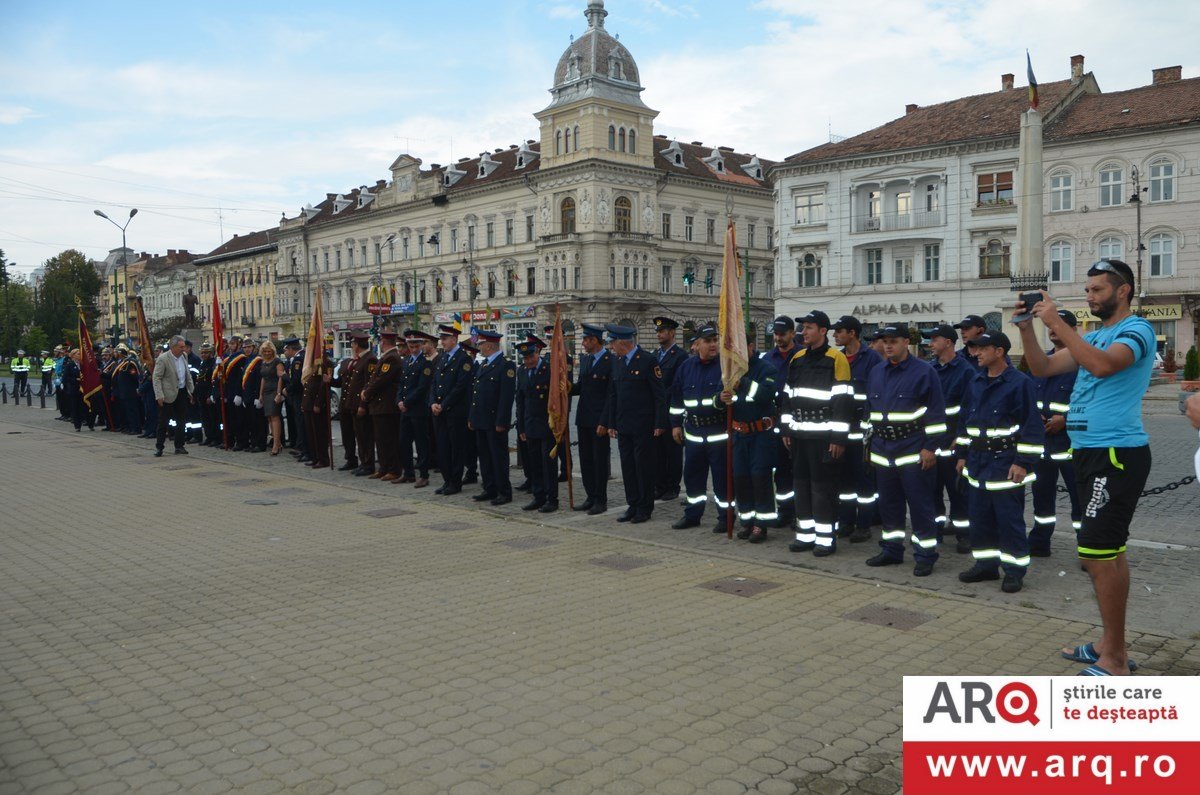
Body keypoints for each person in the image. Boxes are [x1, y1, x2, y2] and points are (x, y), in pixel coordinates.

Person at [1019, 259, 1155, 676]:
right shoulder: (1094, 336)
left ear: (1123, 291)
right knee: (1110, 553)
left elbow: (1103, 366)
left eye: (1097, 290)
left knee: (1096, 555)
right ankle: (1109, 645)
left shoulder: (1137, 330)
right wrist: (1026, 327)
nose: (1090, 296)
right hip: (1090, 452)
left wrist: (1057, 323)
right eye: (1088, 290)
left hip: (1114, 454)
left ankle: (1115, 660)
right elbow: (1042, 368)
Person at [955, 331, 1044, 594]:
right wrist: (962, 454)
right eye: (975, 348)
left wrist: (1023, 462)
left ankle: (1014, 571)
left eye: (983, 348)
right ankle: (986, 565)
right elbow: (965, 421)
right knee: (979, 519)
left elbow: (1032, 425)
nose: (976, 353)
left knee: (1009, 522)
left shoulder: (1020, 383)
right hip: (977, 463)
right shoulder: (975, 381)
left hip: (1005, 464)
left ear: (999, 351)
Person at [862, 325, 949, 576]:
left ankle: (925, 555)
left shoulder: (924, 371)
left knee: (920, 506)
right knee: (889, 505)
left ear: (905, 342)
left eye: (893, 341)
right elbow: (869, 411)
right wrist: (869, 445)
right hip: (882, 449)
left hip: (913, 449)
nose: (888, 346)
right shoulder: (876, 372)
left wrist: (931, 448)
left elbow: (936, 414)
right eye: (885, 341)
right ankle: (892, 549)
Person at [781, 310, 854, 557]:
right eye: (803, 328)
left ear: (823, 331)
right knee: (801, 487)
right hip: (799, 437)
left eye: (809, 327)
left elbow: (843, 403)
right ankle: (805, 536)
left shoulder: (837, 359)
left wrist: (838, 438)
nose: (804, 332)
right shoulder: (797, 358)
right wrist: (786, 429)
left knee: (823, 490)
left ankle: (825, 539)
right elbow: (787, 397)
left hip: (824, 439)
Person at [1028, 309, 1083, 557]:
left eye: (1059, 324)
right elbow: (1029, 397)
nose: (1052, 329)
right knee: (1041, 498)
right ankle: (1040, 542)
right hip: (1043, 446)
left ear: (1073, 330)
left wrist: (1066, 420)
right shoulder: (1042, 362)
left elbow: (1092, 401)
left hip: (1072, 446)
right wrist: (1034, 417)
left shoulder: (1082, 363)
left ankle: (1087, 547)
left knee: (1080, 499)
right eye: (1050, 325)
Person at [602, 323, 669, 524]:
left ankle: (645, 507)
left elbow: (659, 395)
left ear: (622, 343)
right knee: (628, 466)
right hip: (624, 424)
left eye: (612, 343)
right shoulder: (618, 362)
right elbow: (613, 395)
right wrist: (611, 422)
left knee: (643, 467)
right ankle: (632, 504)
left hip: (644, 425)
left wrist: (660, 423)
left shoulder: (647, 360)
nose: (611, 347)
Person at [668, 324, 730, 533]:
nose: (713, 345)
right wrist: (675, 425)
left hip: (718, 433)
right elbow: (676, 399)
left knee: (722, 479)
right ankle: (692, 515)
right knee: (693, 477)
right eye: (708, 341)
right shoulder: (686, 367)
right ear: (696, 344)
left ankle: (726, 517)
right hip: (693, 433)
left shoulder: (725, 367)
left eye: (715, 340)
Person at [721, 331, 778, 542]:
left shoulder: (766, 369)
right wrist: (721, 398)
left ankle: (761, 525)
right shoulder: (729, 370)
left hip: (760, 434)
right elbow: (719, 398)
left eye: (740, 348)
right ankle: (746, 520)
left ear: (751, 347)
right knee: (741, 478)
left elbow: (765, 395)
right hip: (739, 434)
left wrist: (742, 384)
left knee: (760, 477)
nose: (736, 353)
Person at [831, 315, 883, 543]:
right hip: (842, 430)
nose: (835, 335)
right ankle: (846, 522)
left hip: (863, 433)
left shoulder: (871, 359)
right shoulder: (837, 358)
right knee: (844, 481)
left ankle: (863, 525)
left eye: (839, 331)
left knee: (864, 482)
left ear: (852, 333)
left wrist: (869, 428)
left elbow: (876, 394)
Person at [925, 323, 974, 554]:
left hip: (953, 443)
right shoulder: (929, 369)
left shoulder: (965, 371)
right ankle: (934, 530)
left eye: (934, 340)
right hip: (932, 442)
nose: (930, 344)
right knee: (932, 490)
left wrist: (962, 437)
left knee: (958, 492)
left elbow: (970, 408)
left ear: (948, 342)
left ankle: (964, 534)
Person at [762, 315, 800, 528]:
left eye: (782, 334)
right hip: (775, 421)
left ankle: (800, 513)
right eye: (775, 334)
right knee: (781, 470)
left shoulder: (802, 355)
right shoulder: (768, 358)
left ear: (792, 333)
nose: (778, 338)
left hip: (798, 419)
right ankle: (785, 511)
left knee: (799, 471)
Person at [571, 323, 613, 515]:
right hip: (584, 417)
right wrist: (566, 387)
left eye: (586, 340)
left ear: (595, 340)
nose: (583, 343)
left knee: (599, 461)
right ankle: (590, 496)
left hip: (599, 420)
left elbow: (611, 395)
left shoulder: (610, 361)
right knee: (586, 460)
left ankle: (600, 499)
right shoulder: (586, 360)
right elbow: (581, 386)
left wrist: (605, 421)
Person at [471, 330, 516, 506]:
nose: (479, 347)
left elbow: (506, 397)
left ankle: (504, 491)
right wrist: (472, 417)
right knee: (484, 456)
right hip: (481, 419)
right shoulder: (484, 364)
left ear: (489, 345)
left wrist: (502, 421)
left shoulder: (505, 365)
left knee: (498, 457)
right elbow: (476, 394)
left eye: (480, 344)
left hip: (494, 421)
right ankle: (489, 488)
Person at [430, 324, 473, 495]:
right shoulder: (443, 358)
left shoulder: (464, 359)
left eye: (445, 339)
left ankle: (455, 482)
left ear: (454, 340)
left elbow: (460, 387)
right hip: (439, 411)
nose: (442, 342)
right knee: (443, 448)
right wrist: (433, 402)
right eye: (441, 339)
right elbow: (434, 383)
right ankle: (447, 480)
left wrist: (444, 405)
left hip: (455, 412)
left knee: (456, 449)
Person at [516, 337, 557, 512]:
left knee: (548, 464)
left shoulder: (549, 370)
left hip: (547, 424)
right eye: (525, 358)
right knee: (535, 463)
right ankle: (538, 496)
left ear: (537, 353)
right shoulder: (522, 371)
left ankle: (552, 499)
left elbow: (557, 399)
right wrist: (521, 427)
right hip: (530, 424)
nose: (528, 361)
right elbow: (520, 401)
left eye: (530, 357)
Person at [651, 317, 686, 502]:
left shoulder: (680, 356)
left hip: (671, 409)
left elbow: (678, 385)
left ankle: (673, 486)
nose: (659, 334)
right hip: (656, 410)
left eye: (662, 331)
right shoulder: (655, 355)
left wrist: (662, 395)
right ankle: (660, 485)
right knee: (657, 451)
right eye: (657, 331)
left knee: (672, 451)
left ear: (672, 333)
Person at [363, 330, 404, 480]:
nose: (380, 343)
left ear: (384, 342)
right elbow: (375, 378)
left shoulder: (391, 358)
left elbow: (381, 380)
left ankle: (393, 469)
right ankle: (384, 467)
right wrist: (367, 389)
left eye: (381, 340)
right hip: (380, 406)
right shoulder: (387, 357)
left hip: (387, 406)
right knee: (380, 439)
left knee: (389, 439)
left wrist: (367, 392)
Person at [396, 331, 432, 484]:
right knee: (404, 441)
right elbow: (401, 384)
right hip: (405, 410)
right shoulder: (406, 361)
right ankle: (408, 472)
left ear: (421, 345)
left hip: (417, 409)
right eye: (411, 346)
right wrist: (399, 400)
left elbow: (422, 388)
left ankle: (423, 475)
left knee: (421, 443)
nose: (414, 349)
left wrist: (406, 402)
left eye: (416, 346)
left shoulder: (425, 363)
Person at [152, 335, 195, 457]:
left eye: (184, 347)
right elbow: (157, 378)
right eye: (181, 347)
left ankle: (179, 446)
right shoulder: (163, 358)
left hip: (181, 392)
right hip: (167, 394)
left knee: (181, 421)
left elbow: (188, 376)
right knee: (163, 422)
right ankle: (159, 447)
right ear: (173, 347)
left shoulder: (184, 356)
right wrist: (159, 395)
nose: (183, 349)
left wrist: (191, 392)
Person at [303, 339, 333, 469]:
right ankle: (315, 457)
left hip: (317, 403)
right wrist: (305, 403)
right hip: (309, 402)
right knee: (311, 433)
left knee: (320, 433)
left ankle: (323, 459)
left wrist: (318, 403)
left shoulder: (326, 363)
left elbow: (324, 385)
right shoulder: (310, 363)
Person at [332, 340, 362, 471]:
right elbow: (340, 382)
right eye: (352, 344)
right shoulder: (345, 363)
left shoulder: (365, 361)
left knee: (361, 435)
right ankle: (350, 459)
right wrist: (329, 380)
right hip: (345, 403)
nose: (353, 346)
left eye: (355, 344)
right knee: (347, 434)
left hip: (356, 403)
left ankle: (365, 461)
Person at [220, 336, 249, 451]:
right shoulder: (229, 357)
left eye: (233, 343)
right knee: (231, 418)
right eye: (230, 343)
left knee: (239, 419)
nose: (231, 346)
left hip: (236, 391)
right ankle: (230, 440)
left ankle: (242, 441)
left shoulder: (241, 358)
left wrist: (238, 393)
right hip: (229, 390)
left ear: (239, 345)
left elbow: (240, 377)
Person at [257, 341, 286, 455]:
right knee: (269, 418)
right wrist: (260, 394)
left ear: (273, 351)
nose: (267, 353)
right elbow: (263, 378)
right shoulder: (263, 362)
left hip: (274, 391)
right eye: (265, 351)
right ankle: (278, 443)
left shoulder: (277, 361)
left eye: (269, 351)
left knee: (275, 417)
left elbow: (280, 377)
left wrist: (279, 393)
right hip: (266, 392)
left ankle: (276, 444)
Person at [280, 338, 304, 453]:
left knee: (300, 422)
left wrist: (287, 389)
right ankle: (300, 446)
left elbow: (296, 380)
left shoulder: (298, 359)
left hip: (298, 395)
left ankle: (302, 448)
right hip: (296, 395)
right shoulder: (298, 358)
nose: (285, 352)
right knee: (297, 421)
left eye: (286, 350)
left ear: (290, 349)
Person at [196, 343, 219, 445]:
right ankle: (208, 437)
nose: (203, 355)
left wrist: (210, 395)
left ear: (211, 353)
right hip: (201, 394)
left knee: (212, 418)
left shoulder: (213, 363)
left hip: (209, 394)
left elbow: (212, 381)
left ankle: (215, 438)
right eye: (202, 353)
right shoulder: (203, 363)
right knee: (205, 417)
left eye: (206, 353)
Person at [62, 349, 91, 431]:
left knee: (84, 406)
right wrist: (75, 379)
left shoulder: (83, 364)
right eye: (78, 354)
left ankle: (87, 421)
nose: (80, 355)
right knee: (75, 407)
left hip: (83, 389)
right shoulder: (69, 365)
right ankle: (77, 425)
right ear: (73, 355)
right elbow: (65, 378)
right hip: (74, 389)